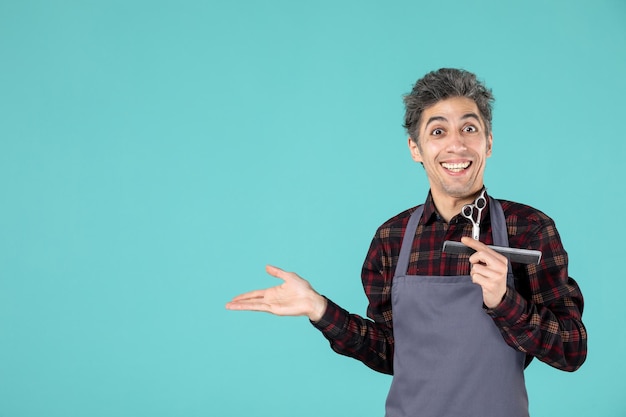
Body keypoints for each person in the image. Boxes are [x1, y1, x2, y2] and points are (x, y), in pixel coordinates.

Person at [226, 68, 587, 417]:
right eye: (438, 132)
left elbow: (572, 350)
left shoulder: (529, 229)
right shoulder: (392, 239)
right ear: (415, 148)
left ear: (488, 142)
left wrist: (504, 301)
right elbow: (390, 352)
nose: (456, 144)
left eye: (469, 128)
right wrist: (319, 309)